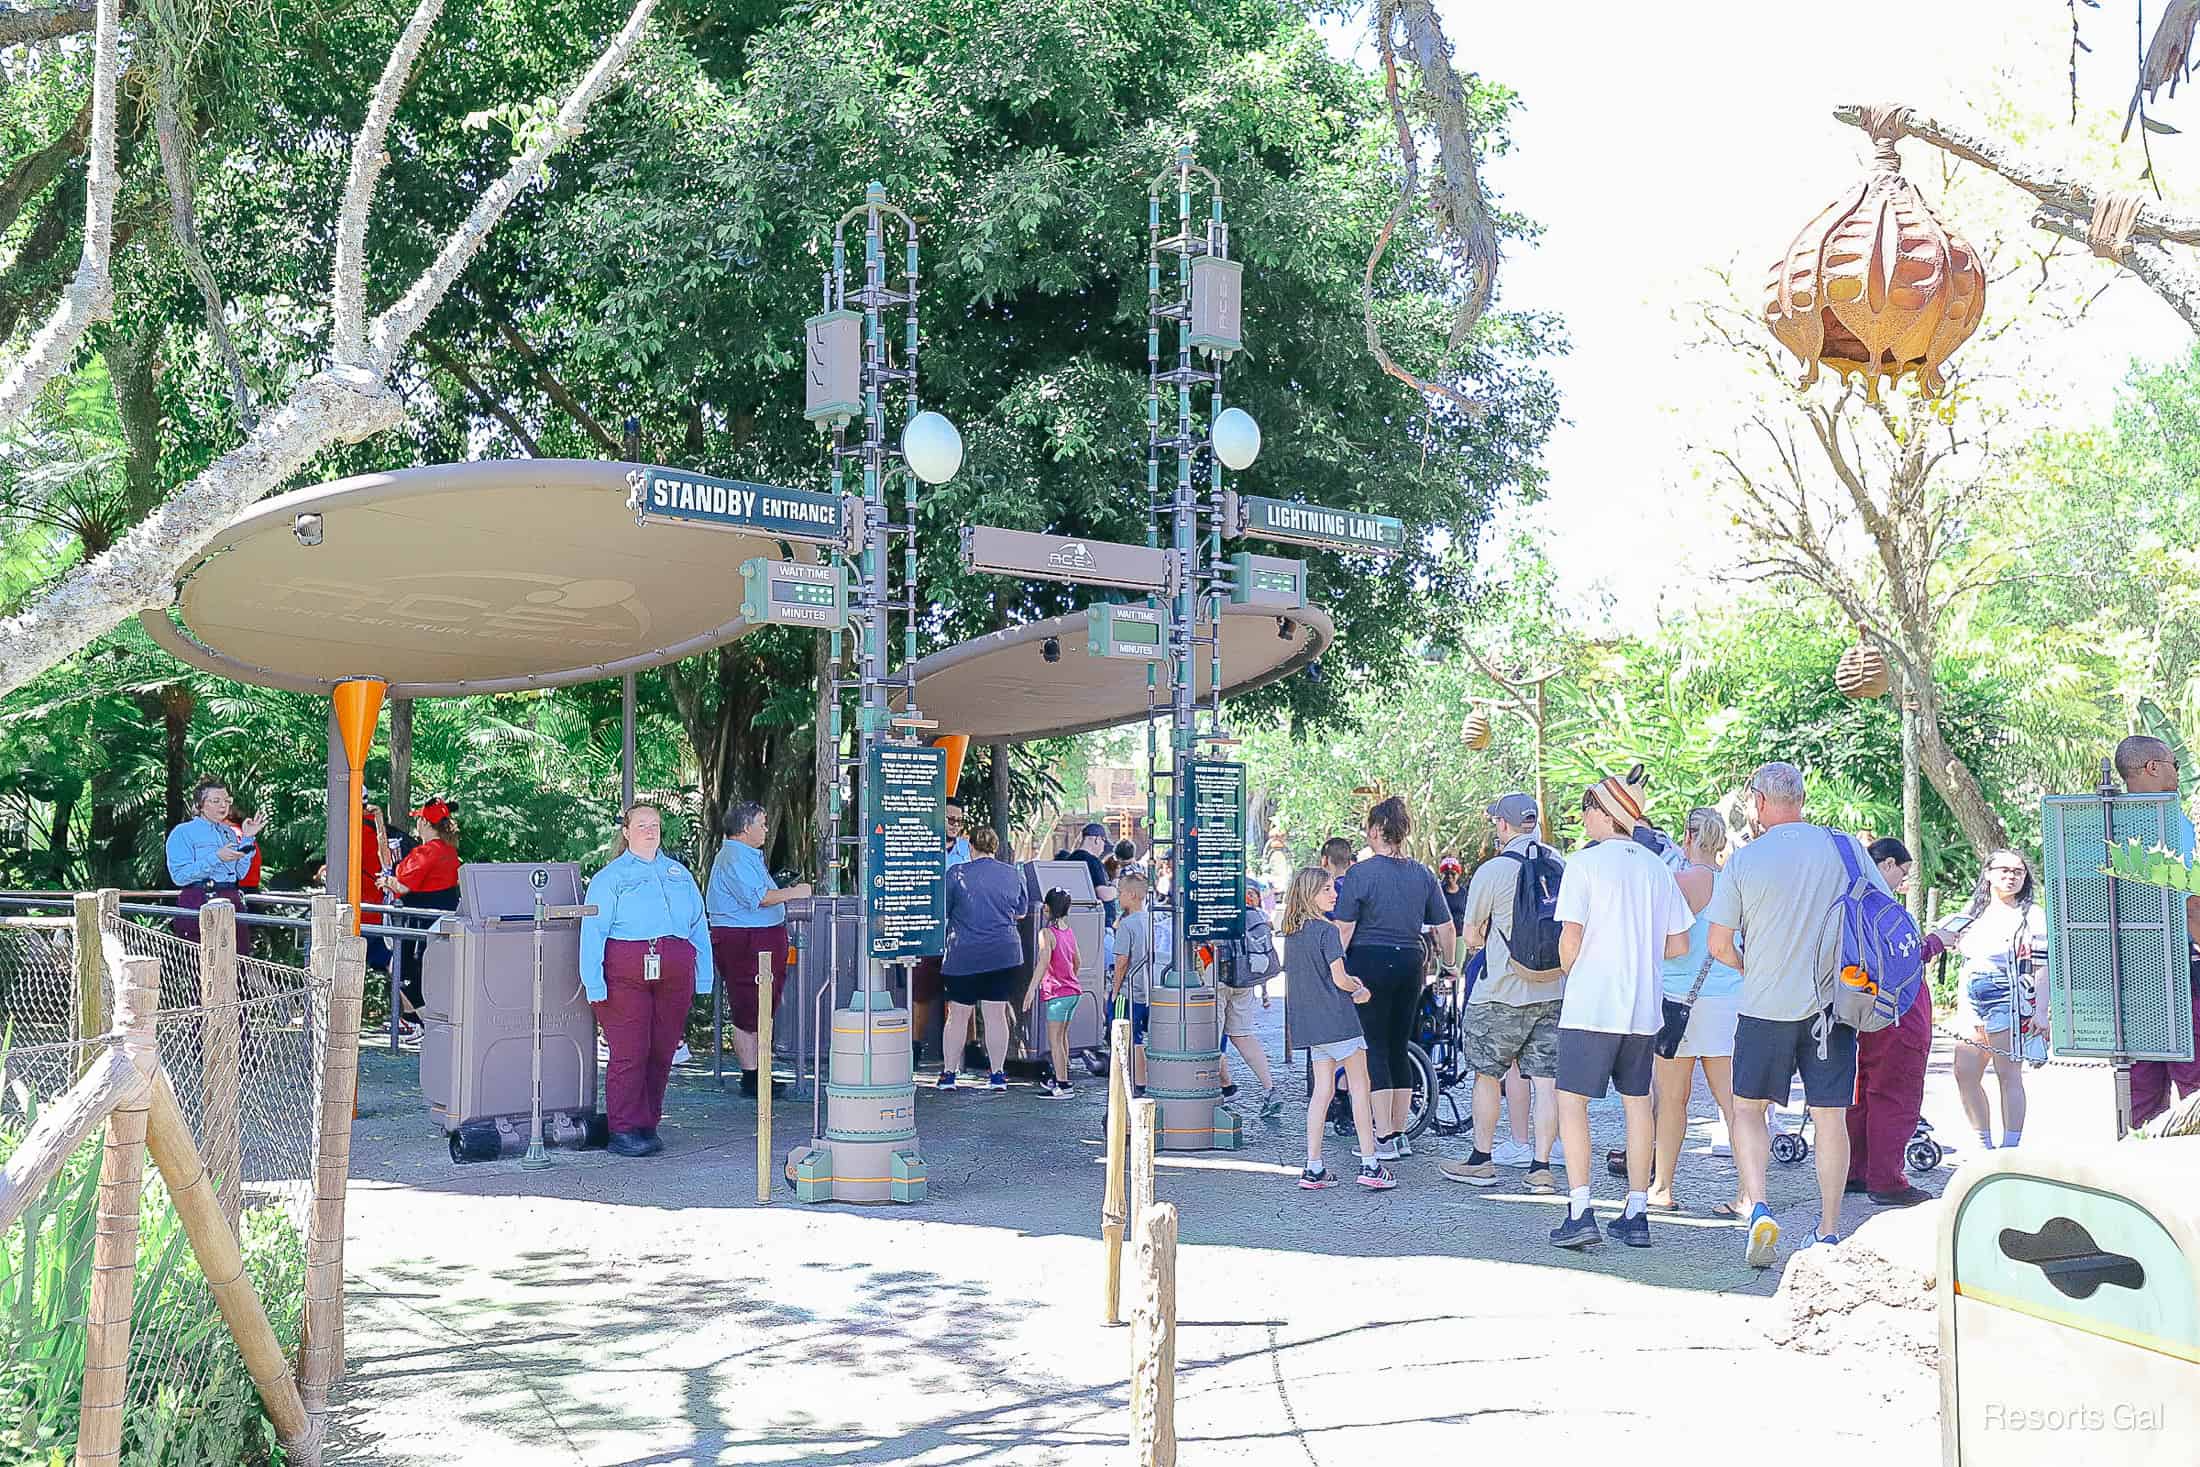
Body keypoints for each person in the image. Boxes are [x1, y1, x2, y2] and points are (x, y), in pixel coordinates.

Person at [1707, 762, 1891, 1264]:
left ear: (1758, 803)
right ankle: (1828, 1229)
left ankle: (1760, 1206)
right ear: (1802, 798)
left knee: (1748, 1109)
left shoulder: (1745, 861)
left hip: (1765, 1005)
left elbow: (1719, 943)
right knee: (1831, 1117)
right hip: (1834, 1007)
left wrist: (1751, 966)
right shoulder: (1846, 847)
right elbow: (1883, 909)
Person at [1545, 782, 1695, 1250]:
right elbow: (1679, 944)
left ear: (1606, 815)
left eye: (1588, 809)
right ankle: (1636, 1209)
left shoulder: (1583, 864)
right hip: (1642, 1007)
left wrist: (1575, 966)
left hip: (1591, 1004)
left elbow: (1570, 939)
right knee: (1637, 1103)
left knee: (1572, 1102)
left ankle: (1580, 1207)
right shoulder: (1656, 868)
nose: (1584, 817)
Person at [1441, 794, 1563, 1193]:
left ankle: (1482, 1159)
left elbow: (1472, 935)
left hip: (1501, 992)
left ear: (1505, 826)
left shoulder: (1493, 870)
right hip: (1553, 988)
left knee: (1487, 1076)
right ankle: (1541, 1166)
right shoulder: (1560, 864)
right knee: (1546, 1081)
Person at [580, 805, 714, 1157]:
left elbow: (699, 925)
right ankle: (622, 1127)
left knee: (662, 1050)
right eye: (641, 825)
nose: (649, 831)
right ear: (625, 831)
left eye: (654, 825)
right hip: (626, 972)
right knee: (629, 1051)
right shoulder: (610, 878)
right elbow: (593, 932)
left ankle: (647, 1123)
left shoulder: (678, 874)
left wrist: (704, 977)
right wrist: (593, 983)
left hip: (674, 970)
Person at [1333, 795, 1457, 1162]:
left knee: (1375, 1047)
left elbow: (1343, 930)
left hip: (1369, 962)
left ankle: (1382, 1135)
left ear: (1375, 830)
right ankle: (1399, 1135)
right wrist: (1449, 965)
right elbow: (1447, 927)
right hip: (1410, 964)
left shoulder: (1360, 874)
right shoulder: (1423, 874)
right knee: (1399, 1045)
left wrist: (1335, 969)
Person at [1647, 808, 1750, 1217]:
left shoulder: (1675, 884)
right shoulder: (1734, 885)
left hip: (1678, 1001)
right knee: (1734, 1103)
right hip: (1728, 999)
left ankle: (1662, 1186)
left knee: (1671, 1101)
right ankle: (1747, 1191)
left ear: (1688, 837)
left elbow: (1665, 943)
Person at [1280, 866, 1391, 1190]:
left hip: (1312, 1024)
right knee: (1360, 1087)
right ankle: (1370, 1163)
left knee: (1322, 1092)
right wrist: (1359, 990)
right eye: (1327, 889)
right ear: (1310, 894)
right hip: (1339, 1021)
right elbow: (1339, 978)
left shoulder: (1292, 933)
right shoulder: (1327, 932)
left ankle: (1313, 1166)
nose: (1334, 894)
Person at [1929, 849, 2046, 1153]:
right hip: (1970, 1000)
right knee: (1965, 1072)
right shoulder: (1971, 911)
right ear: (1989, 873)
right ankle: (1983, 1145)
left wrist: (2041, 1011)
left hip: (2009, 998)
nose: (2011, 877)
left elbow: (2042, 965)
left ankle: (2011, 1148)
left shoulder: (2031, 914)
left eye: (2018, 872)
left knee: (2009, 1074)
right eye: (2004, 870)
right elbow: (1942, 940)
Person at [1842, 837, 1934, 1206]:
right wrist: (1936, 943)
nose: (1904, 882)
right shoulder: (1879, 906)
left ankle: (1857, 1170)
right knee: (1894, 1095)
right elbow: (1899, 960)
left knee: (1864, 1092)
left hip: (1868, 1012)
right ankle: (1887, 1179)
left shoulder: (1850, 902)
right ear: (1886, 865)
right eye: (1903, 872)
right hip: (1897, 1013)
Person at [2114, 735, 2200, 1126]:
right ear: (2152, 767)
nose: (2176, 775)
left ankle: (2141, 1170)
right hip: (2176, 970)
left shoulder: (2100, 817)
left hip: (2122, 972)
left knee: (2142, 1089)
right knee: (2193, 1082)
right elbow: (2188, 900)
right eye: (2174, 766)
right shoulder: (2169, 820)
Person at [706, 802, 811, 1098]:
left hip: (762, 936)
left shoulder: (747, 856)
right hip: (745, 939)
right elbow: (759, 898)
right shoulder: (734, 857)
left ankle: (759, 1071)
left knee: (763, 1003)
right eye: (762, 824)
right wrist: (795, 892)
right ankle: (751, 1075)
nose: (766, 830)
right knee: (749, 1004)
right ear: (745, 828)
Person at [938, 825, 1028, 1091]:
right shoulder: (1013, 874)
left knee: (957, 1015)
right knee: (995, 1014)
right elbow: (1021, 911)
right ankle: (997, 1075)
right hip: (1003, 953)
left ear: (970, 847)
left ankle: (948, 1075)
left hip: (963, 954)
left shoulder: (956, 873)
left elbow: (944, 908)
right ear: (996, 847)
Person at [378, 798, 464, 1034]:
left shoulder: (428, 852)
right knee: (420, 974)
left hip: (419, 923)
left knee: (404, 971)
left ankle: (428, 1024)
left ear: (425, 822)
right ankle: (421, 1023)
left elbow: (403, 887)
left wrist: (386, 880)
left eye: (419, 819)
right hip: (440, 921)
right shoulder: (449, 852)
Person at [166, 777, 265, 953]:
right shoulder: (183, 832)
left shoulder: (228, 833)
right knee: (202, 963)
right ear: (200, 805)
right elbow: (179, 876)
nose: (223, 806)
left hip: (232, 900)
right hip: (198, 899)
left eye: (227, 800)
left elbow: (239, 873)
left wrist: (248, 838)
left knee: (238, 960)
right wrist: (216, 858)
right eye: (216, 801)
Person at [911, 800, 973, 1068]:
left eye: (959, 820)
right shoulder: (923, 848)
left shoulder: (966, 850)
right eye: (950, 819)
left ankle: (967, 1050)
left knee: (961, 993)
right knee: (922, 992)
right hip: (929, 928)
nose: (954, 825)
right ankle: (914, 1047)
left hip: (960, 931)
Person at [1216, 880, 1283, 1116]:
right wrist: (1264, 990)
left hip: (1215, 977)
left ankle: (1214, 1094)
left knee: (1207, 1038)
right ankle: (1269, 1088)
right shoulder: (1255, 913)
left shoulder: (1211, 901)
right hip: (1243, 979)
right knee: (1243, 1035)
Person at [1110, 868, 1169, 1093]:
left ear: (1132, 895)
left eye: (1121, 892)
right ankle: (1148, 1080)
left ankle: (1137, 1082)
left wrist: (1115, 991)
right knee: (1148, 1036)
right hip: (1150, 988)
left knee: (1129, 1038)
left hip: (1130, 991)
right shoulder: (1153, 920)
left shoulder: (1127, 925)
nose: (1118, 896)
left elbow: (1121, 961)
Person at [1023, 887, 1081, 1097]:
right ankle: (1062, 1076)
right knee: (1063, 1037)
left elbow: (1043, 960)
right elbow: (1077, 961)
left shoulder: (1046, 933)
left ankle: (1063, 1085)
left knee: (1054, 1041)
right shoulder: (1069, 931)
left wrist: (1031, 989)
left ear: (1046, 908)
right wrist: (1069, 978)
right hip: (1073, 992)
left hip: (1057, 994)